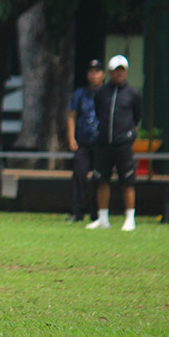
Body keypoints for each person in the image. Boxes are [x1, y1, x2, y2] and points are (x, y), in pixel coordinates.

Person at [87, 54, 142, 231]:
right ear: (110, 72)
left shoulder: (133, 93)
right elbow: (98, 112)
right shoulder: (102, 93)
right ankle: (103, 218)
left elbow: (137, 116)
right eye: (116, 70)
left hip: (123, 144)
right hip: (104, 143)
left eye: (122, 70)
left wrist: (128, 134)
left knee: (127, 181)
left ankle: (130, 219)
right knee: (101, 180)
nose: (119, 74)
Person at [65, 59, 104, 223]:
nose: (93, 75)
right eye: (91, 71)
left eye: (97, 71)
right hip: (83, 142)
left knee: (100, 178)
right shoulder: (80, 93)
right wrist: (71, 137)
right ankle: (77, 211)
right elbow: (72, 116)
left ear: (103, 74)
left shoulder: (107, 93)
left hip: (101, 143)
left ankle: (98, 213)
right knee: (79, 176)